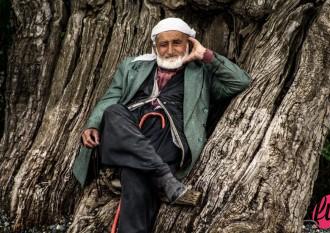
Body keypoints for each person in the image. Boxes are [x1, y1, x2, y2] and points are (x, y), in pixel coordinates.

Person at [73, 17, 251, 233]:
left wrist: (205, 55)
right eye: (163, 44)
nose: (170, 50)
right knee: (114, 112)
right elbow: (111, 98)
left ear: (189, 43)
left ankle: (156, 175)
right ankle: (165, 179)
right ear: (154, 47)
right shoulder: (132, 66)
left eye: (177, 43)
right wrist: (92, 124)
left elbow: (240, 82)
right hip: (129, 135)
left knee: (135, 175)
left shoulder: (202, 73)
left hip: (167, 141)